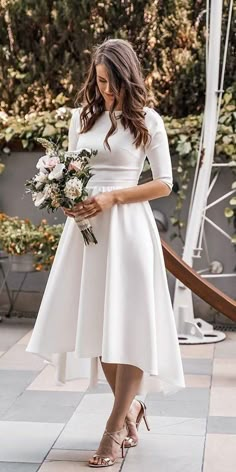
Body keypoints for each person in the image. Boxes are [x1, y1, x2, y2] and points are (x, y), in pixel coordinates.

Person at [26, 38, 185, 468]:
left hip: (129, 230)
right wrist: (62, 194)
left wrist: (112, 198)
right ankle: (131, 407)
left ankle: (113, 430)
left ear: (128, 78)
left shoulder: (148, 120)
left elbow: (164, 183)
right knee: (100, 325)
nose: (107, 90)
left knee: (128, 325)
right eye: (99, 81)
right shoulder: (82, 117)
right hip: (85, 233)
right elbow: (72, 168)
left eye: (113, 83)